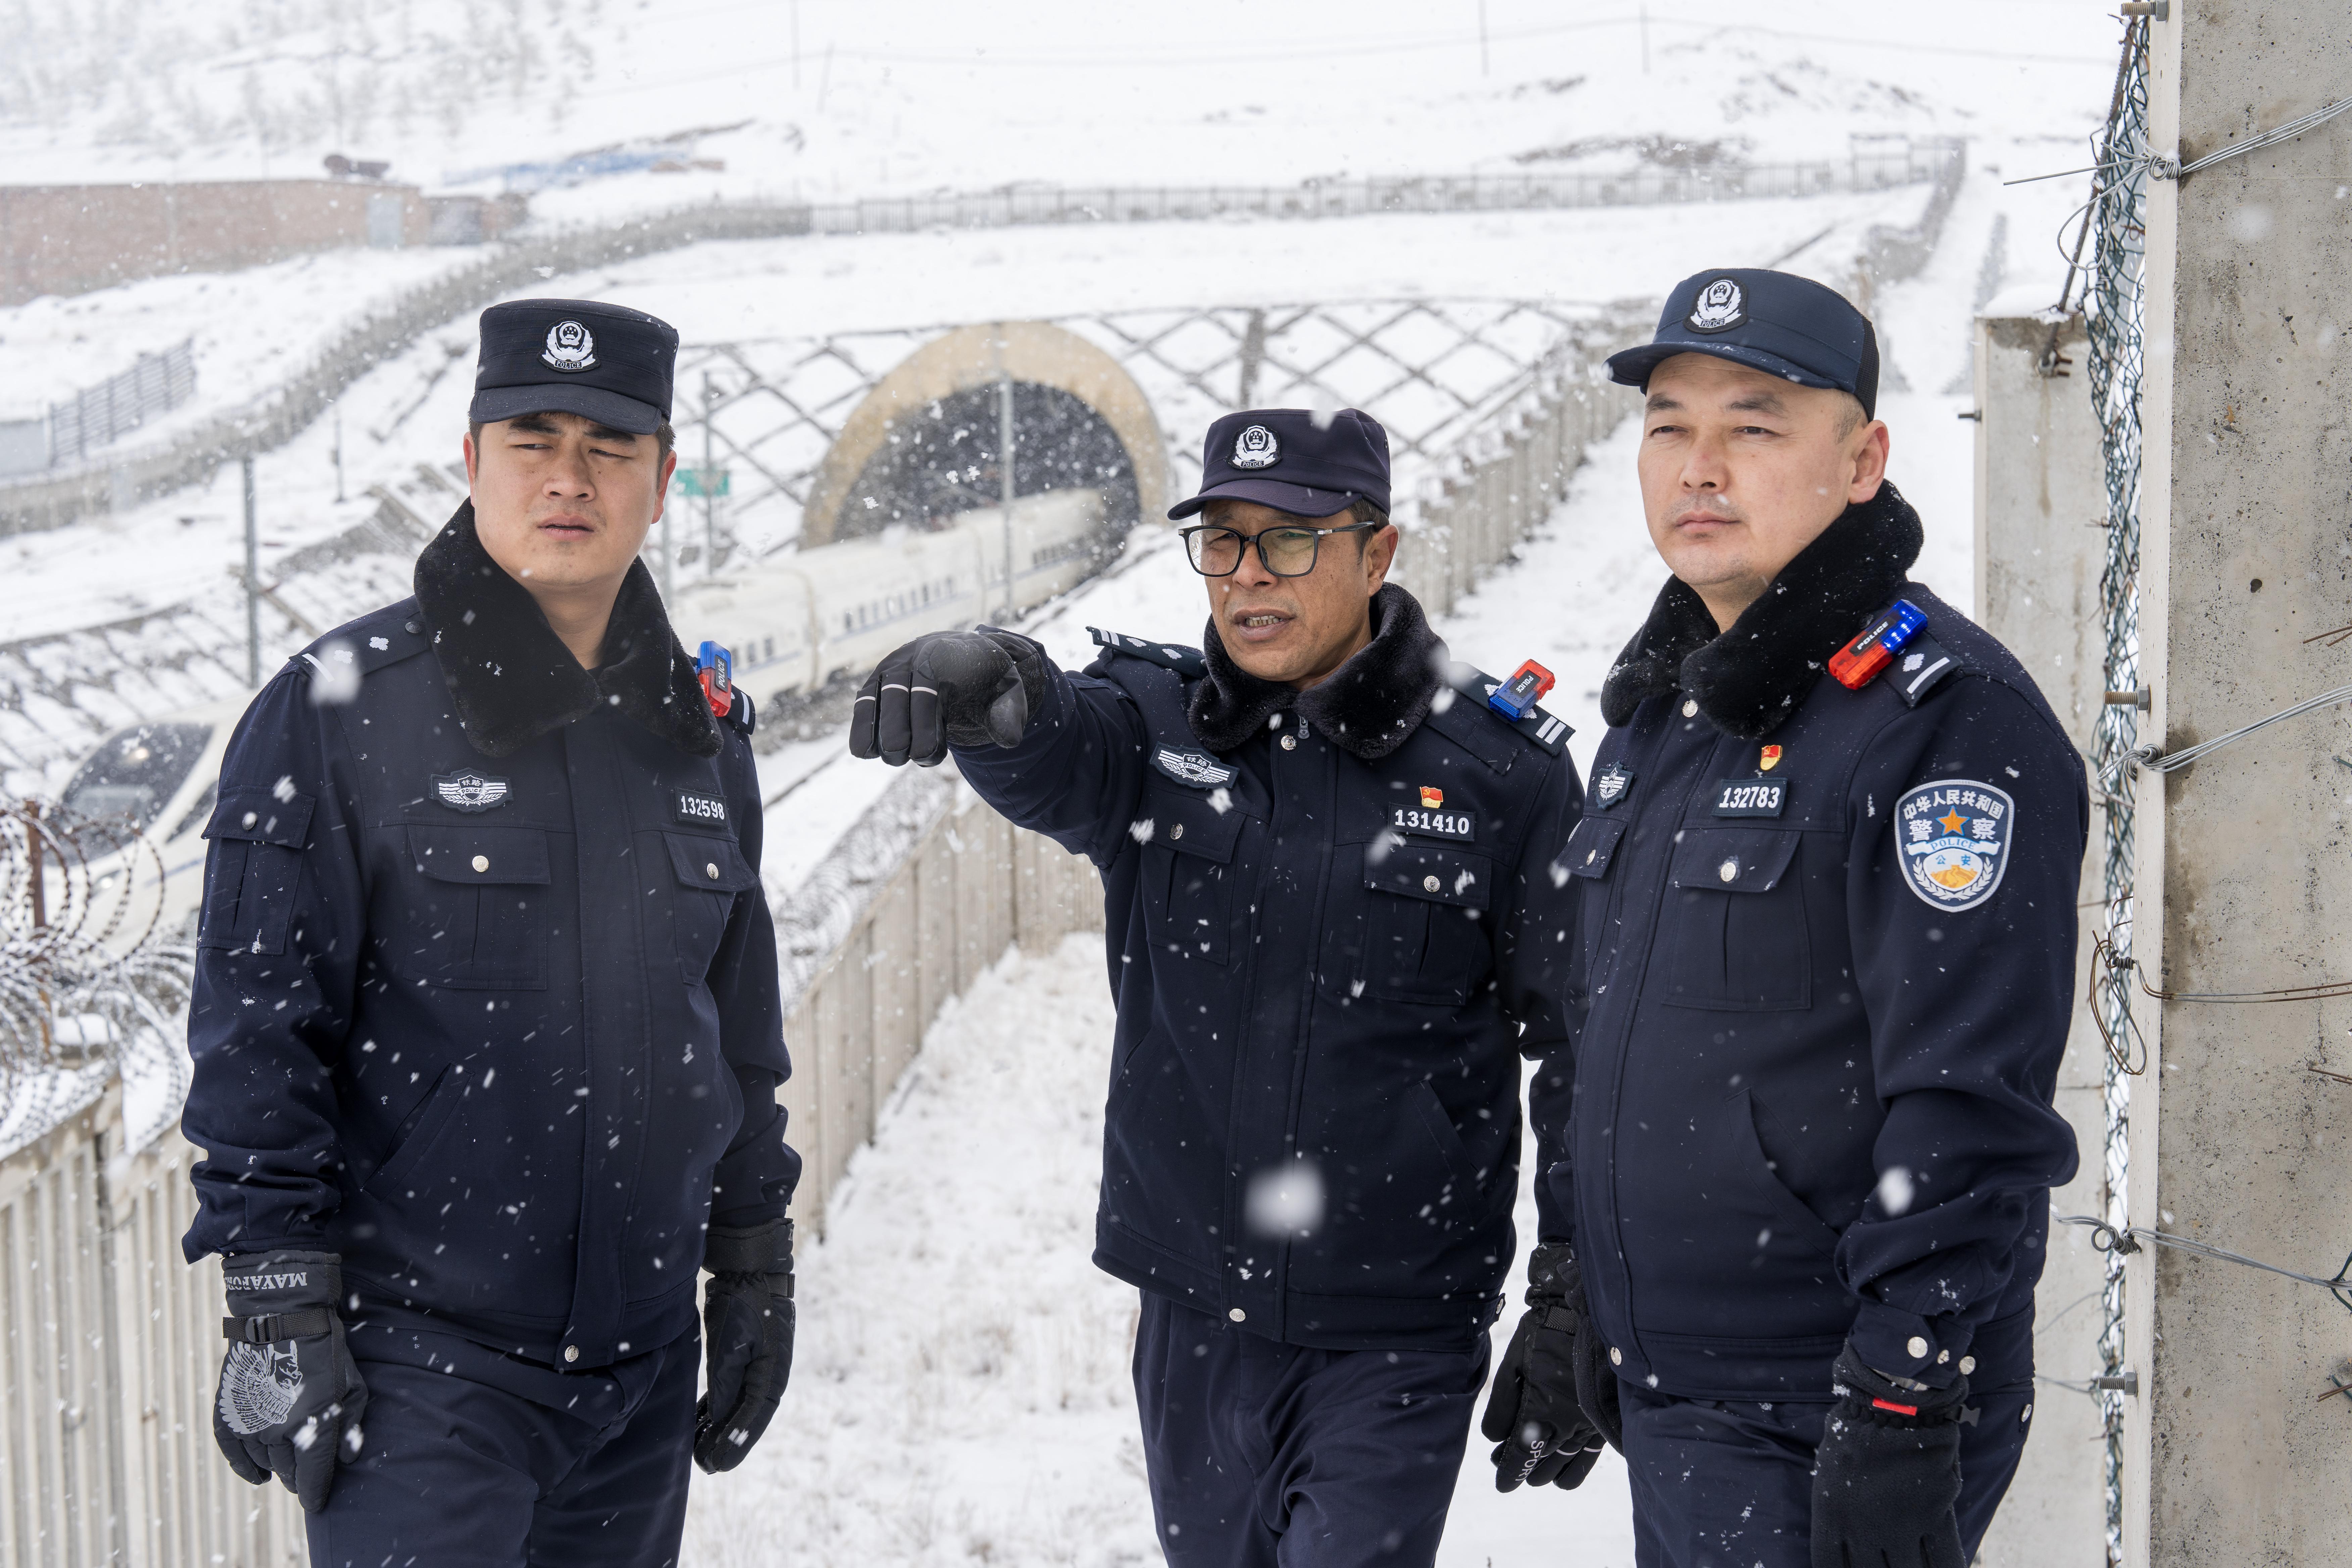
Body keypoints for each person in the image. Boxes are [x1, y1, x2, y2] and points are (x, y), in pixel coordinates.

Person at [849, 406, 1583, 1565]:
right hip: (1192, 1310)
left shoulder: (1500, 774)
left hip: (1396, 1324)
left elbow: (1587, 1047)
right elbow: (1052, 744)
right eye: (1223, 541)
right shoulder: (1158, 728)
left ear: (1378, 553)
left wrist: (1573, 1285)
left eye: (1289, 540)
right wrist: (995, 677)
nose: (1247, 575)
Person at [1479, 268, 2085, 1567]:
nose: (1699, 468)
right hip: (1679, 1380)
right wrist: (1573, 1279)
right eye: (1669, 427)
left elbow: (1970, 1093)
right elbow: (1599, 1036)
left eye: (1753, 427)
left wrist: (1904, 1379)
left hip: (1825, 1391)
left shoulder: (1942, 720)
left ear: (1863, 461)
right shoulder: (1663, 719)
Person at [181, 298, 801, 1567]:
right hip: (423, 1373)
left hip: (642, 1370)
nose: (570, 479)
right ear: (471, 461)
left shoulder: (700, 736)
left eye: (611, 447)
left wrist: (751, 1260)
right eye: (533, 441)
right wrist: (274, 1291)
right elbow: (256, 1025)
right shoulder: (337, 713)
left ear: (662, 481)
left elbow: (737, 1033)